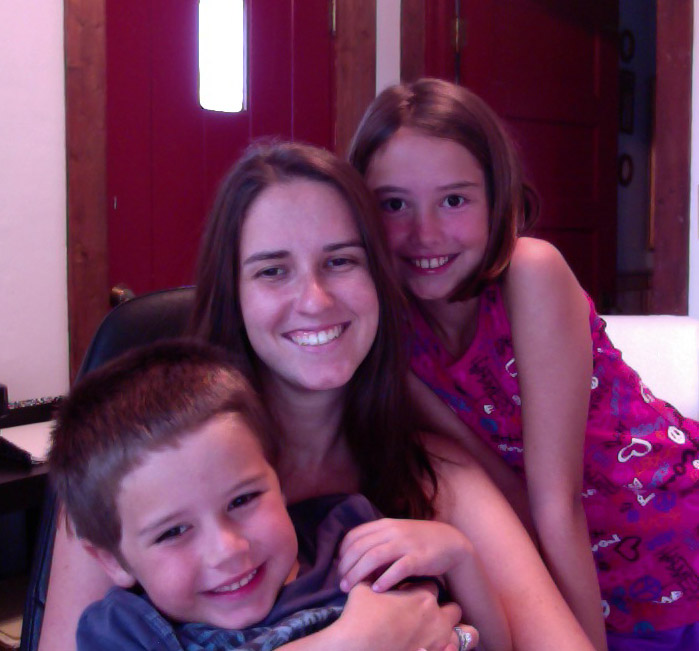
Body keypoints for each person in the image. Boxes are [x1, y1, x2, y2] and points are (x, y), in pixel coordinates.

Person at [38, 141, 595, 651]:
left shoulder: (435, 474)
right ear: (234, 294)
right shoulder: (135, 466)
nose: (314, 300)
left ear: (379, 279)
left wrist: (462, 614)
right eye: (273, 271)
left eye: (340, 261)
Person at [349, 77, 699, 651]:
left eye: (454, 200)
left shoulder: (529, 273)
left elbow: (555, 500)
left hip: (677, 535)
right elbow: (498, 487)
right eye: (393, 205)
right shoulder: (387, 331)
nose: (424, 234)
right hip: (586, 582)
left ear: (497, 199)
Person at [49, 340, 484, 650]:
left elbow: (478, 637)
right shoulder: (125, 631)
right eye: (174, 532)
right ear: (112, 560)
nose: (226, 549)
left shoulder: (351, 536)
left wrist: (461, 559)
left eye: (242, 500)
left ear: (278, 477)